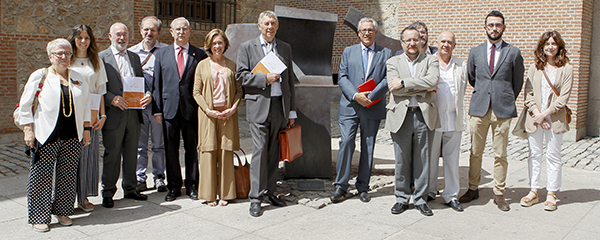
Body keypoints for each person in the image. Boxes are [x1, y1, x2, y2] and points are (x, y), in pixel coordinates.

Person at [19, 38, 91, 232]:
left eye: (67, 53)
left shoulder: (78, 77)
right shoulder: (40, 76)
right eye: (59, 53)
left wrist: (86, 129)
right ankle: (39, 216)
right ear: (50, 56)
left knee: (67, 175)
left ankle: (62, 211)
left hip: (72, 134)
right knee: (41, 175)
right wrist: (28, 130)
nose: (63, 57)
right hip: (46, 134)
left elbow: (85, 105)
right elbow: (25, 105)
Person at [459, 10, 524, 212]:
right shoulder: (475, 52)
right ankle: (472, 188)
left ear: (504, 27)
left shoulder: (513, 52)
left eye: (498, 25)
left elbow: (518, 81)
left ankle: (499, 193)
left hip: (502, 109)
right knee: (475, 151)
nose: (494, 28)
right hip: (479, 108)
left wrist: (503, 96)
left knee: (500, 153)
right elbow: (472, 77)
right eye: (491, 25)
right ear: (485, 27)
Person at [236, 10, 296, 217]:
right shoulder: (247, 48)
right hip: (259, 107)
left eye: (273, 23)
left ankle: (270, 191)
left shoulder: (285, 48)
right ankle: (255, 197)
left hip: (279, 107)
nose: (270, 27)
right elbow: (241, 76)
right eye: (266, 23)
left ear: (277, 26)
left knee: (273, 153)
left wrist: (291, 110)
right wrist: (264, 79)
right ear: (259, 26)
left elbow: (289, 82)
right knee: (260, 151)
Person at [330, 17, 392, 203]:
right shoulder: (349, 52)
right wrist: (356, 95)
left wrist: (370, 97)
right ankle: (340, 186)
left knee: (369, 145)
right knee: (347, 142)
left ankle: (363, 186)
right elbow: (342, 76)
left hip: (372, 106)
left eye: (370, 30)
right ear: (358, 33)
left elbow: (388, 78)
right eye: (363, 30)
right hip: (350, 105)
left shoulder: (386, 53)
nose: (367, 33)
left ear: (376, 32)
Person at [386, 25, 439, 216]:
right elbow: (394, 88)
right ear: (402, 42)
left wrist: (404, 82)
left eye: (415, 39)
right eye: (408, 40)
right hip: (401, 115)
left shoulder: (431, 60)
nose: (412, 43)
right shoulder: (392, 61)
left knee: (422, 159)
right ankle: (401, 198)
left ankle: (421, 199)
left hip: (424, 114)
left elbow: (432, 81)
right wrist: (421, 87)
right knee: (402, 160)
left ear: (421, 41)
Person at [152, 17, 208, 201]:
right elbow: (157, 84)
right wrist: (157, 110)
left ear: (190, 31)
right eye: (178, 29)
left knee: (192, 149)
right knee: (170, 149)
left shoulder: (199, 55)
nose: (181, 32)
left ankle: (192, 185)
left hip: (191, 110)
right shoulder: (161, 54)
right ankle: (174, 187)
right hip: (168, 110)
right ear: (171, 32)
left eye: (185, 29)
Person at [99, 22, 152, 208]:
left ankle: (130, 188)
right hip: (114, 113)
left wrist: (147, 94)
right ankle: (107, 192)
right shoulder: (101, 58)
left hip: (134, 113)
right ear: (110, 36)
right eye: (118, 34)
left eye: (125, 34)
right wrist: (111, 99)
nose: (122, 38)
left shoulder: (134, 58)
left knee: (131, 153)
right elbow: (97, 88)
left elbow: (141, 82)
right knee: (112, 154)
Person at [519, 31, 572, 211]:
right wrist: (537, 114)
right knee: (534, 154)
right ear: (542, 46)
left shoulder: (566, 68)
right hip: (535, 117)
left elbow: (563, 98)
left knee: (553, 155)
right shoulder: (535, 67)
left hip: (554, 118)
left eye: (554, 44)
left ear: (559, 47)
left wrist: (545, 114)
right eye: (547, 43)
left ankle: (552, 192)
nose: (550, 46)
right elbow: (528, 93)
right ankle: (534, 190)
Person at [193, 29, 243, 206]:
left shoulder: (232, 65)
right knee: (208, 152)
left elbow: (239, 90)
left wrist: (234, 107)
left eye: (220, 42)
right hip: (208, 115)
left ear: (225, 44)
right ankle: (208, 195)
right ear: (209, 45)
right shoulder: (201, 65)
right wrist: (208, 110)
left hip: (227, 115)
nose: (217, 46)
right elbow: (196, 92)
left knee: (225, 152)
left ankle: (226, 194)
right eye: (214, 43)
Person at [68, 24, 108, 213]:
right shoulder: (67, 59)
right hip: (69, 114)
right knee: (68, 158)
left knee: (87, 158)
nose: (83, 41)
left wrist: (102, 115)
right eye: (80, 38)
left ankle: (83, 197)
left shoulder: (96, 61)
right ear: (74, 39)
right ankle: (65, 198)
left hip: (90, 115)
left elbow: (100, 91)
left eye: (87, 38)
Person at [428, 31, 467, 211]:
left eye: (449, 42)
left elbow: (463, 88)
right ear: (437, 42)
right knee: (431, 156)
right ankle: (429, 190)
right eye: (443, 41)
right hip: (434, 118)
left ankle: (451, 195)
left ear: (454, 45)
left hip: (453, 117)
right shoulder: (429, 62)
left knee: (452, 158)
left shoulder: (460, 65)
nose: (446, 44)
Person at [129, 16, 168, 193]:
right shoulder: (131, 53)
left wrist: (152, 95)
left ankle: (159, 176)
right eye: (146, 29)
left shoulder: (166, 51)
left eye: (152, 30)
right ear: (140, 30)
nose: (149, 33)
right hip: (138, 106)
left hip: (158, 107)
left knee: (159, 144)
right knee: (140, 145)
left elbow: (167, 80)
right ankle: (140, 178)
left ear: (158, 32)